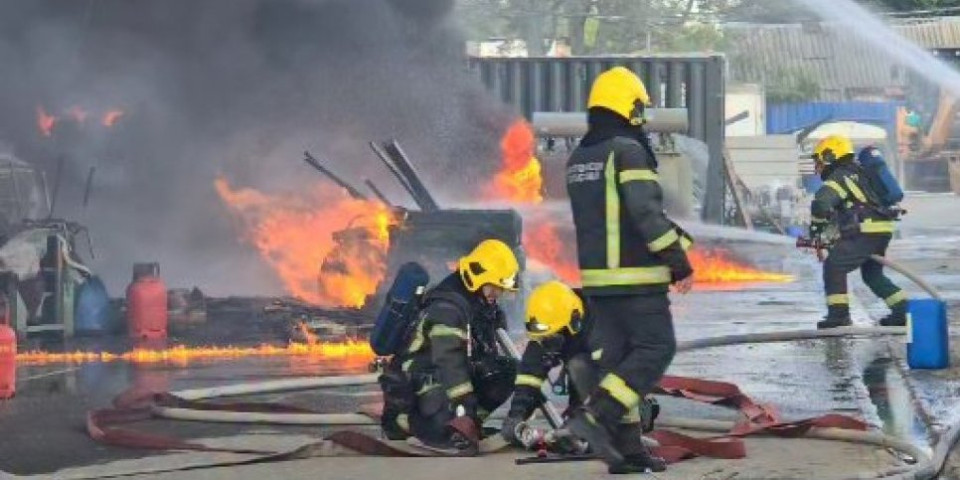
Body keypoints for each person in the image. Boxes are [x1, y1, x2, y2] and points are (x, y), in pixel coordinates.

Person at [563, 66, 694, 473]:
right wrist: (679, 262)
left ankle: (628, 453)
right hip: (638, 278)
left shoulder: (580, 156)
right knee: (656, 350)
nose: (643, 116)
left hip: (600, 284)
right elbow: (644, 214)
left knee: (620, 368)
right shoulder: (628, 151)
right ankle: (594, 416)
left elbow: (613, 217)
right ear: (627, 105)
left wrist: (679, 239)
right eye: (640, 107)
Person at [501, 280, 663, 472]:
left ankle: (632, 431)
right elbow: (530, 373)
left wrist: (632, 453)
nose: (548, 342)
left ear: (574, 322)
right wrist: (517, 415)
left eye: (553, 337)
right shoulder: (555, 321)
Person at [378, 239, 520, 455]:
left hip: (444, 376)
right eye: (494, 287)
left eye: (501, 289)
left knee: (508, 370)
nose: (497, 294)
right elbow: (449, 361)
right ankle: (404, 423)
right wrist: (466, 406)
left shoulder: (477, 304)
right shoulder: (447, 309)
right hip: (419, 383)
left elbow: (480, 355)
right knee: (443, 427)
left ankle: (466, 426)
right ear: (477, 277)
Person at [809, 135, 908, 329]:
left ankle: (839, 315)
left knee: (834, 265)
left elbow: (821, 204)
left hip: (866, 230)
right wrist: (829, 237)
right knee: (872, 275)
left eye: (820, 161)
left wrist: (815, 232)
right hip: (881, 229)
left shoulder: (839, 175)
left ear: (830, 156)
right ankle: (903, 310)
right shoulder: (860, 172)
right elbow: (846, 209)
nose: (818, 167)